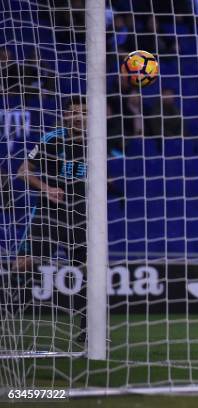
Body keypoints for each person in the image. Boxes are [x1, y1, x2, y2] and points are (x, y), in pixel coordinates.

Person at [15, 95, 89, 343]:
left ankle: (90, 330)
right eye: (75, 112)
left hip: (83, 216)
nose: (80, 117)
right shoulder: (53, 139)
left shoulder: (99, 142)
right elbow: (23, 171)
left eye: (85, 112)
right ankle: (7, 307)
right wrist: (47, 189)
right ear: (66, 116)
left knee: (92, 271)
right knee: (24, 263)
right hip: (50, 214)